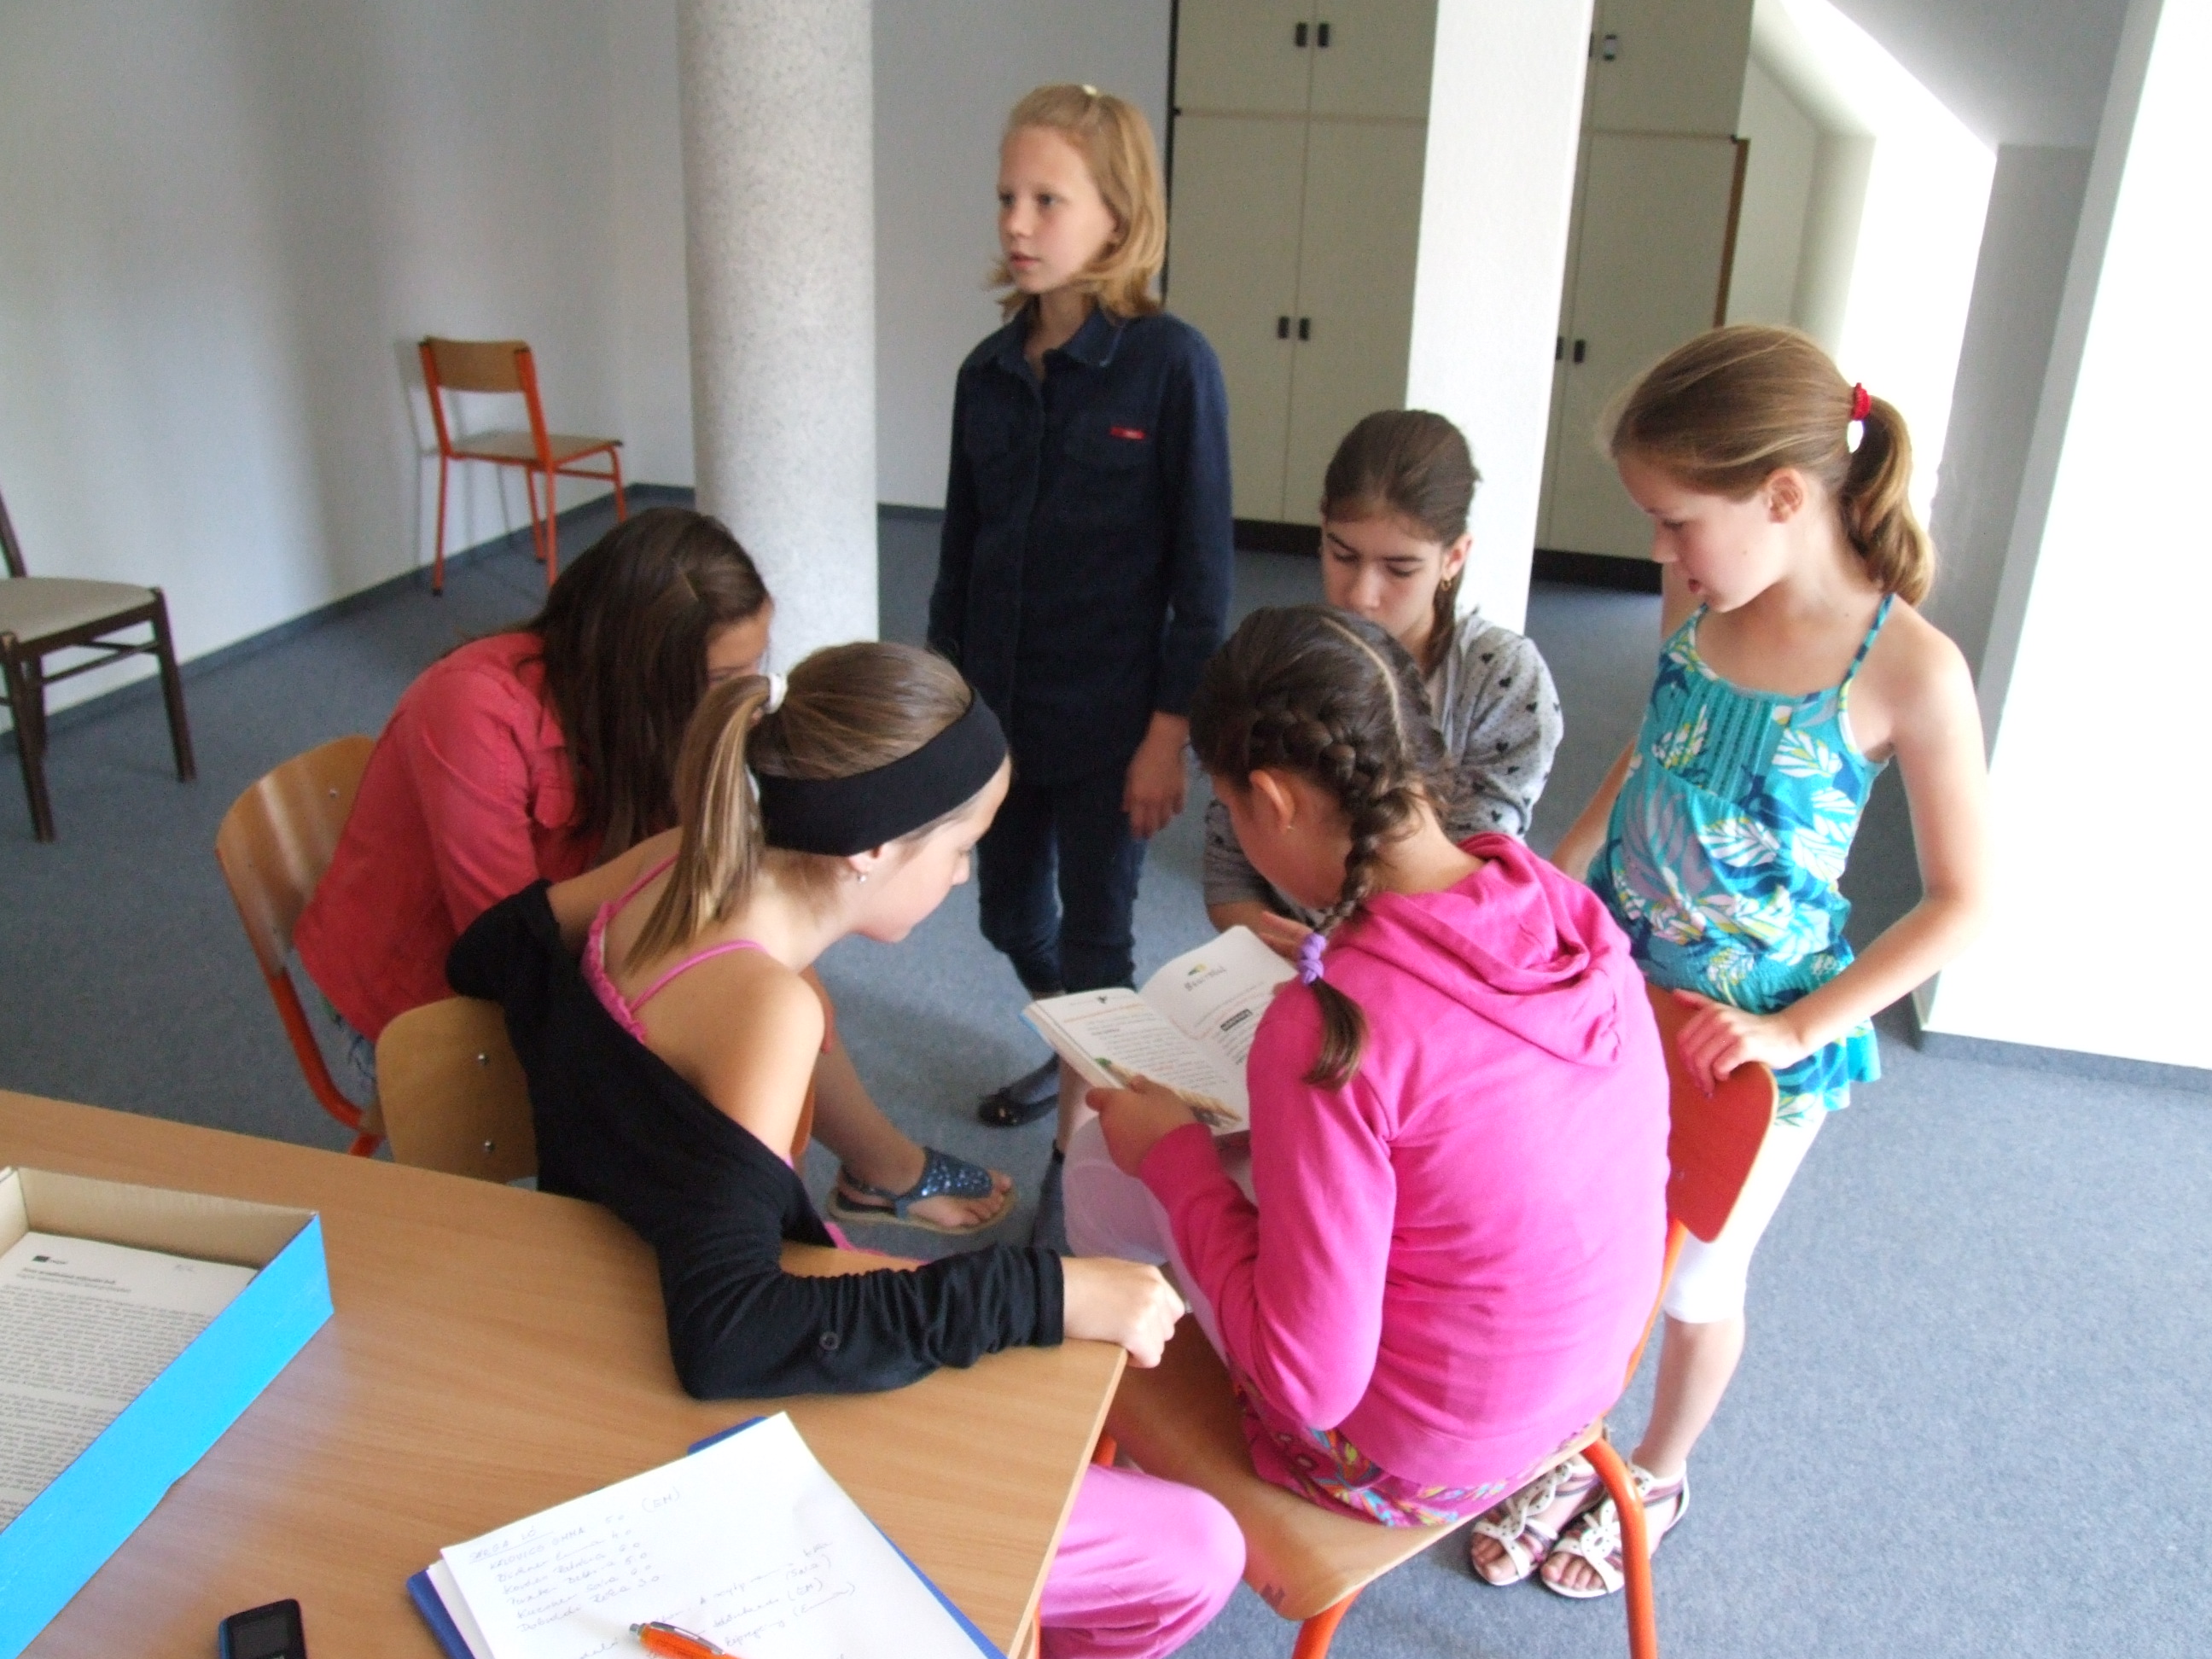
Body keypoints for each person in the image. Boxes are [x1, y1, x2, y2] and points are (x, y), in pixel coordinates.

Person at [446, 643, 1243, 1659]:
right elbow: (731, 1337)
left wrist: (610, 1098)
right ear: (868, 849)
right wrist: (1042, 1291)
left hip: (605, 1282)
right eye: (962, 848)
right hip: (702, 1417)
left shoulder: (679, 860)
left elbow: (486, 953)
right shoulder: (764, 1010)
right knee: (1196, 1551)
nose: (964, 875)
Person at [1493, 324, 1992, 1598]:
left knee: (1700, 1277)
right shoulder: (1706, 599)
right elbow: (1655, 741)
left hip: (1757, 1039)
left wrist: (1796, 1029)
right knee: (1595, 1234)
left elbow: (1961, 904)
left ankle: (1657, 1468)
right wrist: (1569, 868)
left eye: (1677, 523)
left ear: (1781, 498)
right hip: (1626, 987)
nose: (1662, 554)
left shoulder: (1911, 670)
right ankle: (1568, 1439)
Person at [1063, 605, 1670, 1531]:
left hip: (1405, 1464)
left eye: (1231, 809)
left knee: (1105, 1159)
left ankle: (1098, 1403)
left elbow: (1307, 1382)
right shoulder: (1561, 910)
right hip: (1578, 1396)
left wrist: (1175, 1159)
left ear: (1272, 801)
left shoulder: (1329, 1033)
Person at [294, 508, 1011, 1234]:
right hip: (422, 996)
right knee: (754, 1019)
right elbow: (506, 950)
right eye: (724, 676)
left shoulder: (650, 716)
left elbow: (690, 877)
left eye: (757, 663)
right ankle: (864, 1173)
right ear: (643, 667)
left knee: (773, 988)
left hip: (565, 942)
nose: (750, 698)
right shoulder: (473, 711)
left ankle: (871, 1169)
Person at [928, 83, 1232, 1149]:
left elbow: (1204, 579)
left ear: (1118, 216)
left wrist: (1166, 736)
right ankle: (1091, 1042)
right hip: (999, 720)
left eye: (1047, 200)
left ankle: (1078, 1154)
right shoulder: (984, 374)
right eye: (1006, 196)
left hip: (1113, 727)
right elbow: (957, 560)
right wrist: (942, 718)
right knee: (1008, 917)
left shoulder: (1173, 366)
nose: (1017, 222)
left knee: (1102, 939)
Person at [1204, 410, 1563, 958]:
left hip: (1421, 963)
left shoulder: (1501, 678)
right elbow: (1228, 873)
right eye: (1343, 555)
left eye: (1399, 569)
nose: (1361, 595)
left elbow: (1467, 884)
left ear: (1454, 558)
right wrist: (1298, 954)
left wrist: (1350, 964)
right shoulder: (1289, 656)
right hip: (1293, 958)